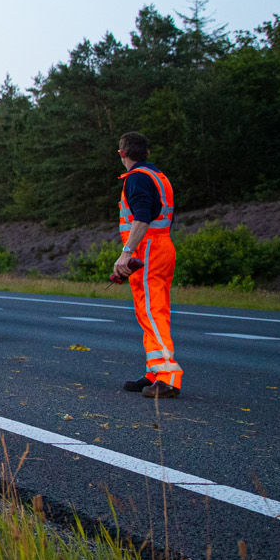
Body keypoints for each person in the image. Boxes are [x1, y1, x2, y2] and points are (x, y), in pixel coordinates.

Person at [113, 131, 182, 399]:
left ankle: (167, 377)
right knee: (150, 312)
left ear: (122, 153)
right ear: (147, 153)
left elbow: (142, 218)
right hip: (160, 246)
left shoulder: (137, 178)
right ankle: (154, 372)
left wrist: (126, 253)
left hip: (149, 247)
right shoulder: (157, 176)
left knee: (152, 313)